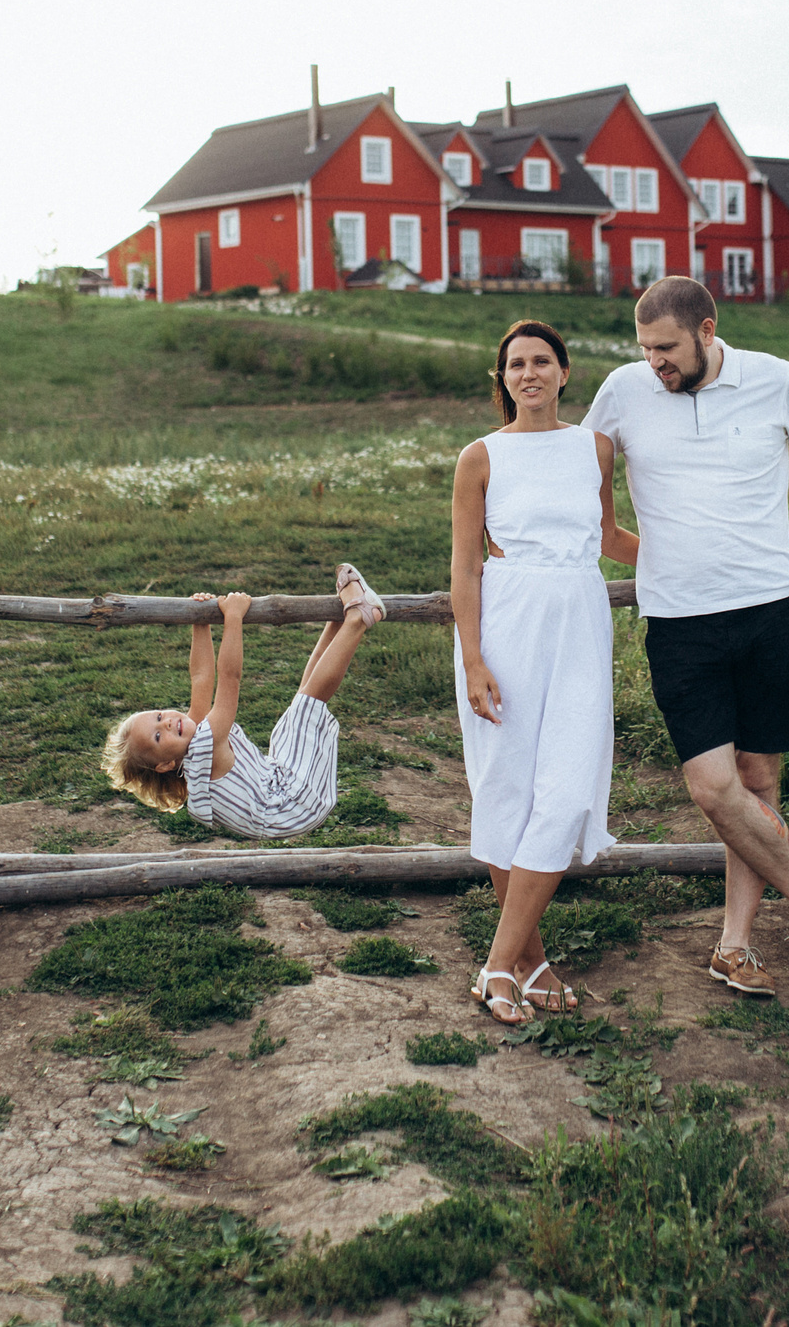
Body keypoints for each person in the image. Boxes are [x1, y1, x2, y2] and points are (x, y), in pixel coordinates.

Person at [581, 276, 789, 997]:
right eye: (644, 351)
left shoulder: (778, 380)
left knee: (758, 782)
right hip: (678, 622)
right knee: (713, 787)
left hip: (770, 608)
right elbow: (585, 493)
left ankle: (734, 944)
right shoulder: (620, 392)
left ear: (707, 330)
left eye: (666, 349)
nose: (655, 366)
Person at [451, 320, 642, 1024]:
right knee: (505, 788)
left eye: (541, 361)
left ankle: (499, 962)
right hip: (506, 624)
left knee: (564, 794)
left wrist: (696, 557)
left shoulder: (594, 447)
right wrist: (473, 659)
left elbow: (610, 537)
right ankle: (524, 961)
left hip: (580, 623)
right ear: (502, 380)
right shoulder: (480, 457)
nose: (528, 373)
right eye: (514, 364)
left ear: (565, 372)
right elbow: (465, 567)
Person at [102, 566, 384, 839]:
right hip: (293, 804)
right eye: (158, 735)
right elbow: (229, 678)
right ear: (165, 765)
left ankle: (336, 623)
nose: (166, 722)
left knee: (298, 708)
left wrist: (200, 622)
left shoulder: (191, 743)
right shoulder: (204, 748)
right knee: (306, 707)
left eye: (159, 715)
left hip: (276, 784)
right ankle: (359, 619)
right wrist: (233, 617)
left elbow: (201, 678)